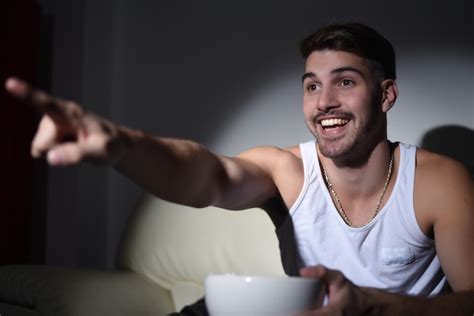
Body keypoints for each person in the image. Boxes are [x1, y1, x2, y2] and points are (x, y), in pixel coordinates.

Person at [5, 22, 473, 315]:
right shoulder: (285, 169)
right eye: (312, 86)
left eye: (344, 82)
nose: (324, 102)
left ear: (386, 95)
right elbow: (206, 174)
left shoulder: (438, 181)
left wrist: (371, 306)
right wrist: (122, 146)